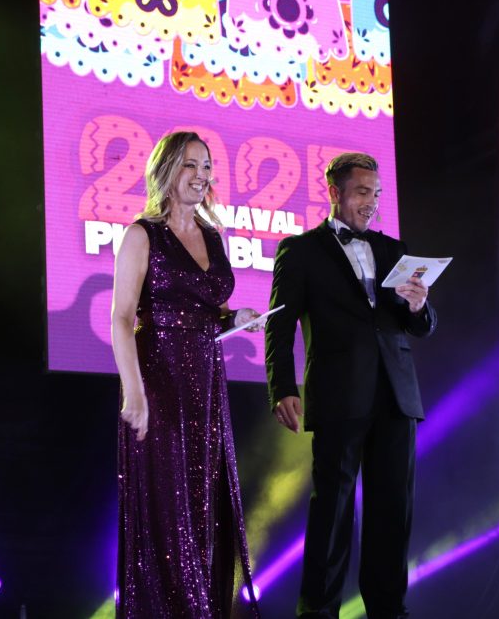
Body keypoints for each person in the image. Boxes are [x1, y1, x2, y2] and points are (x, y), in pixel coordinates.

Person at [264, 153, 436, 619]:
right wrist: (281, 387)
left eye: (376, 194)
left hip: (396, 396)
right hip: (339, 395)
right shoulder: (300, 250)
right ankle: (318, 612)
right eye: (362, 192)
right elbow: (278, 326)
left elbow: (420, 326)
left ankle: (389, 611)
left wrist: (418, 306)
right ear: (334, 192)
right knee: (333, 511)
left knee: (392, 512)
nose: (371, 202)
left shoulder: (395, 250)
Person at [111, 131, 262, 618]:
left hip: (207, 383)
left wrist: (234, 318)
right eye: (190, 165)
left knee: (204, 507)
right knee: (167, 508)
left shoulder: (213, 236)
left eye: (207, 166)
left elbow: (205, 309)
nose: (202, 176)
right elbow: (122, 318)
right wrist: (134, 392)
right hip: (158, 381)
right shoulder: (143, 235)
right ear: (167, 171)